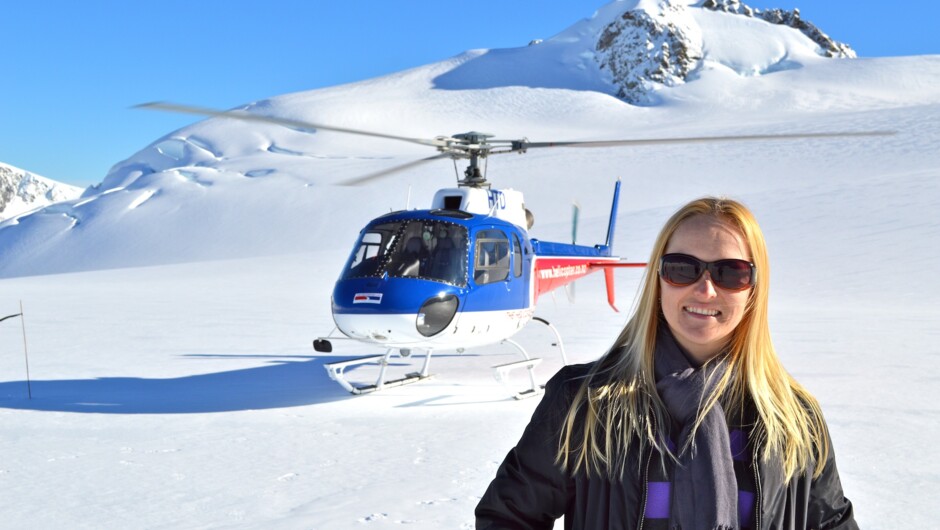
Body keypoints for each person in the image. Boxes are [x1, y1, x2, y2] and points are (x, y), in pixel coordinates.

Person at [475, 197, 857, 530]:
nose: (705, 289)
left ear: (754, 289)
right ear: (659, 279)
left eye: (730, 273)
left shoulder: (793, 419)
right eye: (682, 268)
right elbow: (508, 517)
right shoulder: (584, 402)